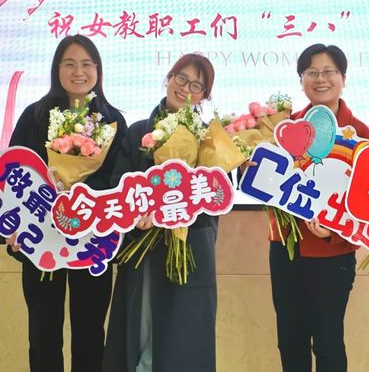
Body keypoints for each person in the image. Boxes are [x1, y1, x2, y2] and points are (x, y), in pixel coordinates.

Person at [3, 34, 127, 372]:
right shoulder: (35, 115)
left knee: (90, 333)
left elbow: (119, 181)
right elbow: (13, 177)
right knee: (43, 334)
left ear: (98, 69)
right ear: (57, 69)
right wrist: (11, 227)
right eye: (69, 64)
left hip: (93, 244)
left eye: (86, 64)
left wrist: (80, 196)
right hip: (42, 240)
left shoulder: (113, 121)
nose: (78, 72)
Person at [102, 54, 217, 372]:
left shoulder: (209, 139)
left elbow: (217, 196)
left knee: (184, 342)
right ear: (169, 78)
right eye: (181, 78)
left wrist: (181, 214)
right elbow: (118, 187)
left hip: (190, 250)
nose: (186, 89)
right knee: (141, 332)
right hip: (144, 250)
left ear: (203, 96)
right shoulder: (138, 131)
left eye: (197, 86)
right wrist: (135, 217)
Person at [268, 43, 369, 372]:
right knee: (290, 340)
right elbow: (268, 184)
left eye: (328, 72)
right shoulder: (283, 128)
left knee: (328, 343)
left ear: (343, 78)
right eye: (311, 72)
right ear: (301, 80)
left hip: (332, 255)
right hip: (285, 250)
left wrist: (335, 229)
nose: (320, 79)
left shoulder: (360, 134)